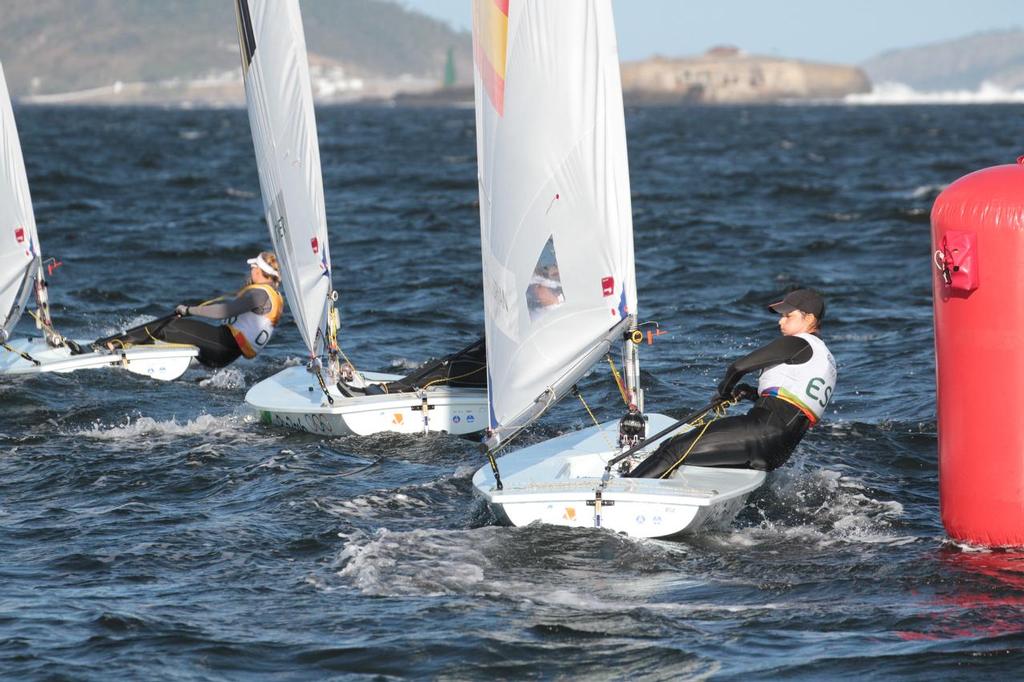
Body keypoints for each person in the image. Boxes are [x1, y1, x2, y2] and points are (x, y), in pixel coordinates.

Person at [626, 288, 837, 478]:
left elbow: (738, 367)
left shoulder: (798, 343)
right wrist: (750, 393)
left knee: (673, 450)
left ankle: (626, 492)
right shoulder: (825, 358)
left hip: (760, 433)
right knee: (690, 457)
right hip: (778, 452)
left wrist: (724, 391)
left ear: (809, 318)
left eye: (787, 316)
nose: (780, 321)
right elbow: (793, 402)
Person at [93, 251, 284, 369]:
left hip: (221, 346)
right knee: (175, 330)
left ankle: (110, 345)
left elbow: (223, 312)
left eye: (253, 266)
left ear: (259, 270)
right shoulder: (275, 296)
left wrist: (189, 310)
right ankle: (128, 345)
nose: (251, 270)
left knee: (170, 326)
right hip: (225, 353)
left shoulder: (259, 294)